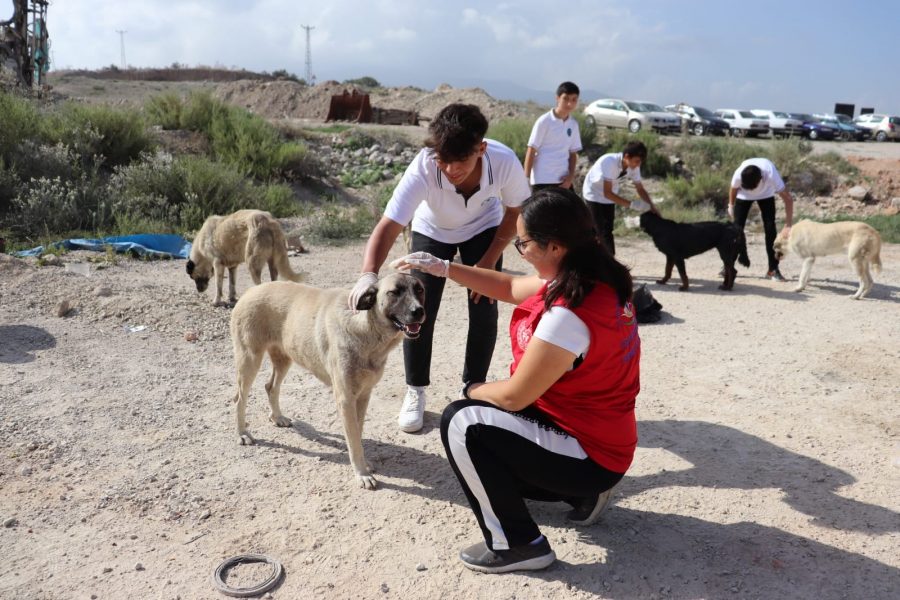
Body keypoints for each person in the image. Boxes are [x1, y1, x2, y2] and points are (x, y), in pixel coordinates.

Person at [391, 188, 641, 574]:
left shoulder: (570, 312)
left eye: (523, 243)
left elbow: (512, 396)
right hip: (600, 440)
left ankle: (520, 545)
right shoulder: (591, 278)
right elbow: (508, 287)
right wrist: (444, 266)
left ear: (554, 246)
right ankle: (584, 495)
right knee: (488, 433)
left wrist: (471, 389)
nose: (520, 251)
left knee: (463, 422)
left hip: (590, 452)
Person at [348, 103, 530, 434]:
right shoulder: (425, 166)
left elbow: (515, 211)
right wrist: (368, 274)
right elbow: (389, 226)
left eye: (459, 161)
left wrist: (487, 263)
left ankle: (473, 388)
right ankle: (415, 390)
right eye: (442, 161)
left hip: (485, 228)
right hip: (432, 230)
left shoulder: (503, 161)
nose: (449, 169)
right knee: (415, 309)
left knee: (484, 305)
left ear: (481, 149)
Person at [581, 140, 657, 255]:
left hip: (609, 196)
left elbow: (640, 189)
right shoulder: (609, 162)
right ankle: (606, 263)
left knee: (607, 230)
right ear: (626, 156)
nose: (638, 165)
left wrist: (652, 207)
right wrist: (632, 205)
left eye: (640, 162)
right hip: (594, 193)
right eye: (636, 161)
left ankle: (609, 262)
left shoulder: (634, 167)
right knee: (599, 230)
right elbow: (607, 193)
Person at [728, 157, 794, 281]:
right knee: (735, 230)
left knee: (770, 229)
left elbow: (788, 199)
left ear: (761, 179)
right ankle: (728, 266)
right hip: (743, 197)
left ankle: (773, 270)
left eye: (753, 187)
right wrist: (730, 205)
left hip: (766, 195)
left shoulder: (771, 174)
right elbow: (733, 188)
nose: (752, 191)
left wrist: (788, 225)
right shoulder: (739, 173)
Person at [523, 81, 582, 191]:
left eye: (574, 100)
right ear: (558, 98)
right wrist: (525, 179)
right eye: (566, 99)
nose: (569, 103)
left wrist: (570, 178)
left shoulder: (573, 124)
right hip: (542, 180)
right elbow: (531, 150)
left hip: (563, 182)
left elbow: (573, 154)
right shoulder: (544, 121)